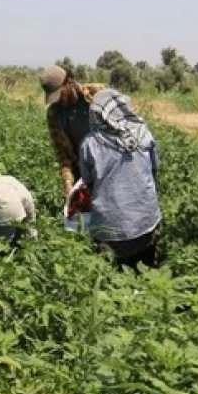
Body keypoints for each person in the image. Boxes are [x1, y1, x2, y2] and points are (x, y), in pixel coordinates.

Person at [78, 89, 162, 270]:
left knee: (111, 279)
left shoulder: (90, 144)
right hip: (145, 223)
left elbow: (88, 182)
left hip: (109, 229)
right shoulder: (143, 134)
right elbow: (154, 170)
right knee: (146, 274)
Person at [40, 65, 110, 200]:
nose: (59, 100)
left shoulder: (96, 95)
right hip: (83, 174)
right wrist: (68, 183)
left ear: (68, 82)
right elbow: (63, 155)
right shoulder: (55, 114)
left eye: (60, 94)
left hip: (110, 167)